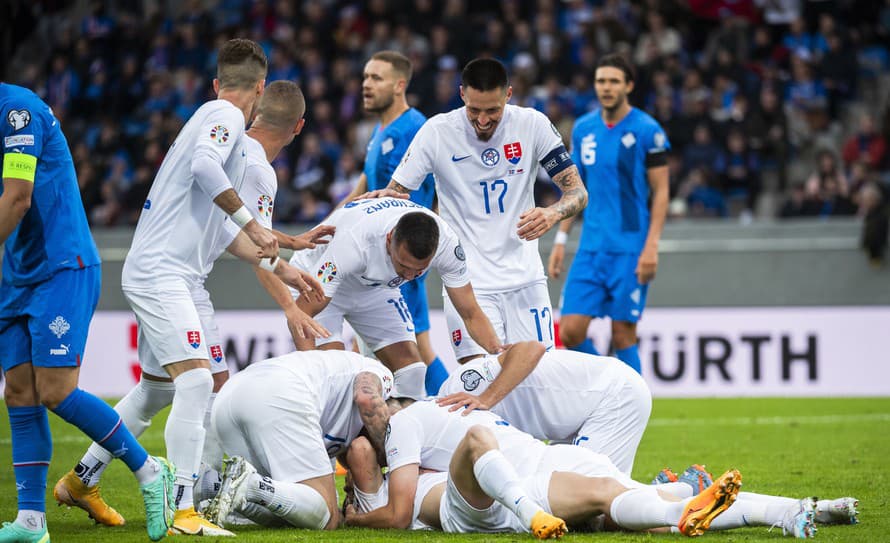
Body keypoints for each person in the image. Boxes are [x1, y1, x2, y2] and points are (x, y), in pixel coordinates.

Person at [52, 81, 331, 534]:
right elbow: (252, 232)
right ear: (298, 127)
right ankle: (190, 500)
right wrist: (289, 302)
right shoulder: (254, 165)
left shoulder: (226, 142)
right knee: (204, 382)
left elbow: (231, 235)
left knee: (160, 389)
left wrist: (285, 266)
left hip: (176, 276)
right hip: (173, 278)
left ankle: (84, 477)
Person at [0, 82, 175, 542]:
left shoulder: (17, 112)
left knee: (56, 391)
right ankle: (32, 522)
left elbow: (18, 198)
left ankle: (150, 472)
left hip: (62, 266)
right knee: (19, 392)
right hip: (16, 273)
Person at [370, 57, 588, 362]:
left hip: (525, 280)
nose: (483, 120)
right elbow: (396, 193)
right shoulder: (437, 132)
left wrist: (552, 212)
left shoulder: (532, 125)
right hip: (468, 285)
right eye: (474, 110)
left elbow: (576, 191)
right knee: (480, 383)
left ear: (508, 95)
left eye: (492, 111)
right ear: (461, 94)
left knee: (539, 380)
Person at [341, 391, 746, 538]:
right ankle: (676, 496)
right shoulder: (419, 431)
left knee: (613, 501)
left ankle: (795, 511)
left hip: (528, 479)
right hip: (519, 483)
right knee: (615, 499)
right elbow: (366, 462)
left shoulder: (420, 432)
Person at [288, 197, 504, 400]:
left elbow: (470, 312)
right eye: (403, 265)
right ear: (390, 238)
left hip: (375, 286)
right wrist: (315, 375)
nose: (409, 276)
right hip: (316, 281)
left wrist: (499, 354)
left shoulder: (448, 245)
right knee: (334, 376)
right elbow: (302, 314)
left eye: (418, 270)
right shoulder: (356, 242)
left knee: (413, 373)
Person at [548, 53, 670, 374]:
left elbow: (661, 192)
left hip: (630, 248)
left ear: (628, 85)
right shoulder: (584, 129)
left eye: (614, 81)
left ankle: (633, 412)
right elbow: (576, 190)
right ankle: (610, 386)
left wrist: (652, 246)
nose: (606, 87)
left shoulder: (648, 130)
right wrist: (561, 239)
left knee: (623, 333)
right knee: (571, 331)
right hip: (590, 248)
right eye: (601, 80)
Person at [341, 50, 448, 396]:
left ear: (399, 85)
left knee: (415, 346)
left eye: (376, 78)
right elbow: (366, 184)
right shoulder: (380, 130)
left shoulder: (415, 129)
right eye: (365, 77)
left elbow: (443, 184)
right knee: (387, 346)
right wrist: (334, 222)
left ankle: (451, 411)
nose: (366, 85)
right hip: (379, 254)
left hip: (403, 256)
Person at [201, 349, 395, 531]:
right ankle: (248, 484)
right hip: (278, 391)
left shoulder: (341, 417)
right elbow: (367, 398)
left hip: (229, 397)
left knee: (294, 510)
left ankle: (210, 484)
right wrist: (387, 459)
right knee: (328, 516)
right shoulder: (381, 375)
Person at [436, 344, 651, 474]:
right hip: (581, 412)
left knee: (597, 505)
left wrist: (487, 398)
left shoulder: (461, 389)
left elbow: (532, 348)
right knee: (556, 494)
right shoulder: (447, 416)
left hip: (614, 394)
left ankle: (679, 493)